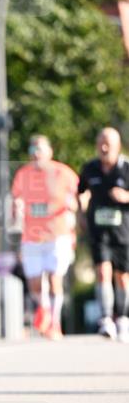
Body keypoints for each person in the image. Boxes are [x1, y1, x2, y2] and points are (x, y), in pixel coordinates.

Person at [10, 135, 78, 340]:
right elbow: (16, 198)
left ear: (49, 152)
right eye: (32, 150)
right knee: (34, 283)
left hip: (58, 235)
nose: (36, 153)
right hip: (32, 236)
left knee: (54, 279)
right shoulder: (23, 174)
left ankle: (55, 323)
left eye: (39, 149)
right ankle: (44, 309)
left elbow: (80, 195)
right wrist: (16, 209)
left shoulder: (63, 172)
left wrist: (75, 205)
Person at [78, 127, 129, 342]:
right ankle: (106, 318)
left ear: (118, 145)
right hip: (99, 230)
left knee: (123, 278)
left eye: (108, 143)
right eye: (101, 143)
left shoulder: (126, 167)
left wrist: (126, 196)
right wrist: (80, 213)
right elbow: (80, 192)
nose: (104, 147)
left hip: (123, 230)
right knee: (102, 271)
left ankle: (123, 318)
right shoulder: (90, 168)